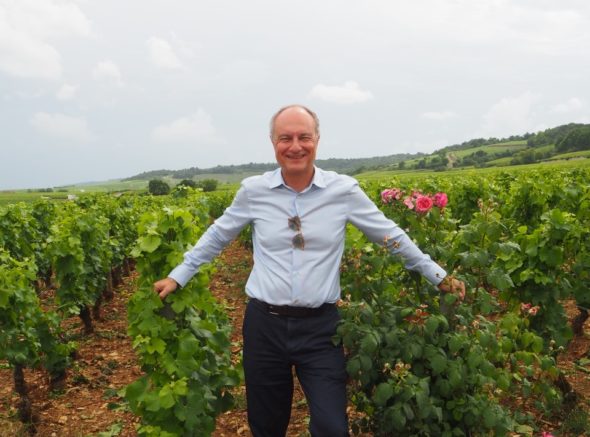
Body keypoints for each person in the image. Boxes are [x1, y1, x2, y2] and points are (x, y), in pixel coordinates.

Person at [154, 104, 465, 437]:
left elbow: (390, 235)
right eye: (285, 138)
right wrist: (178, 275)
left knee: (332, 427)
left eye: (304, 137)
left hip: (321, 329)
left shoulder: (343, 191)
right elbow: (218, 235)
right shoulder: (254, 191)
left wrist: (436, 274)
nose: (295, 146)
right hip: (264, 327)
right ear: (273, 143)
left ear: (317, 140)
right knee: (267, 425)